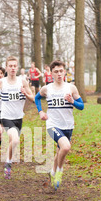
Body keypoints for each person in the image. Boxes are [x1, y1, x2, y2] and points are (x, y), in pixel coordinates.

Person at [35, 59, 84, 190]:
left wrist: (72, 101)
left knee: (60, 150)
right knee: (66, 147)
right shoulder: (47, 88)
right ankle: (59, 172)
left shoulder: (71, 88)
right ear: (51, 73)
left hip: (68, 125)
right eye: (56, 72)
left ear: (65, 72)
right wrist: (40, 112)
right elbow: (37, 98)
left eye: (61, 71)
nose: (59, 74)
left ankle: (52, 171)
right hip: (52, 124)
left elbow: (82, 106)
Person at [0, 56, 34, 179]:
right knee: (15, 140)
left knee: (14, 141)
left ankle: (8, 160)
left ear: (17, 67)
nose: (13, 68)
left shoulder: (22, 81)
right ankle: (8, 164)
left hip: (19, 118)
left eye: (15, 66)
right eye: (10, 66)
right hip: (6, 117)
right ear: (7, 67)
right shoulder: (1, 82)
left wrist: (25, 93)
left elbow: (33, 99)